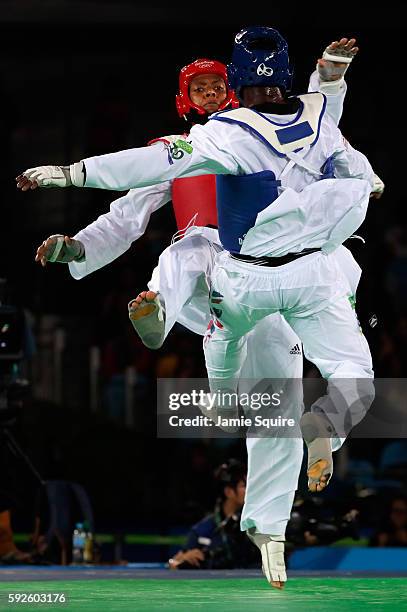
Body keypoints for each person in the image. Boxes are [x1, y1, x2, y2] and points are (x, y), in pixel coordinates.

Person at [15, 32, 381, 588]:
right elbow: (126, 214)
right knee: (184, 251)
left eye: (217, 84)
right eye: (199, 87)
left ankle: (270, 532)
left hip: (262, 282)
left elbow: (332, 133)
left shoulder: (259, 136)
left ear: (233, 88)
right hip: (222, 273)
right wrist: (79, 246)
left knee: (271, 413)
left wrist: (357, 170)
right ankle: (158, 313)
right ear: (187, 98)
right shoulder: (189, 148)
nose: (210, 93)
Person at [168, 459, 258, 569]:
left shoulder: (258, 524)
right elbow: (174, 564)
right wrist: (178, 562)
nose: (252, 490)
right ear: (229, 492)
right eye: (244, 486)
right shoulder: (202, 530)